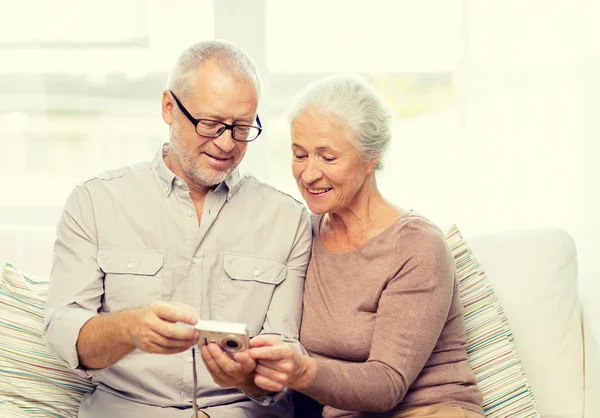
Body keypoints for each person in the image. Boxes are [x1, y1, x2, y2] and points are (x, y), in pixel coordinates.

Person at [42, 40, 312, 418]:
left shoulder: (289, 218)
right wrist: (129, 329)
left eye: (242, 128)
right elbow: (64, 328)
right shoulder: (95, 201)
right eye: (211, 124)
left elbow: (283, 354)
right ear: (169, 107)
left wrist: (245, 376)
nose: (226, 143)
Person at [245, 75, 485, 418]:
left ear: (371, 158)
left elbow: (387, 384)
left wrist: (301, 371)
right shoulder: (301, 235)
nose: (309, 174)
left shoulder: (417, 245)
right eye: (299, 154)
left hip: (430, 410)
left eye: (327, 158)